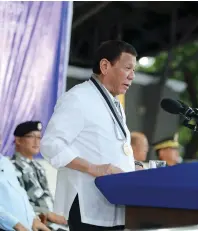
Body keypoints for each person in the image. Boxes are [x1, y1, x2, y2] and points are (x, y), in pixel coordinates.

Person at [40, 40, 139, 231]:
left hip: (114, 204)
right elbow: (51, 145)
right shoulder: (78, 98)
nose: (132, 76)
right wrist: (93, 168)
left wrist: (134, 166)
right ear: (105, 66)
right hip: (87, 206)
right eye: (127, 68)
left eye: (134, 70)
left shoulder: (115, 104)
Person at [11, 121, 67, 228]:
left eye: (39, 137)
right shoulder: (12, 167)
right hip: (35, 222)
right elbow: (15, 204)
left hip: (54, 221)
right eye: (31, 137)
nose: (37, 141)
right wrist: (46, 213)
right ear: (18, 140)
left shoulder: (38, 167)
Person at [0, 136, 50, 231]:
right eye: (32, 137)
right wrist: (16, 224)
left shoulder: (5, 162)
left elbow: (20, 194)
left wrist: (33, 218)